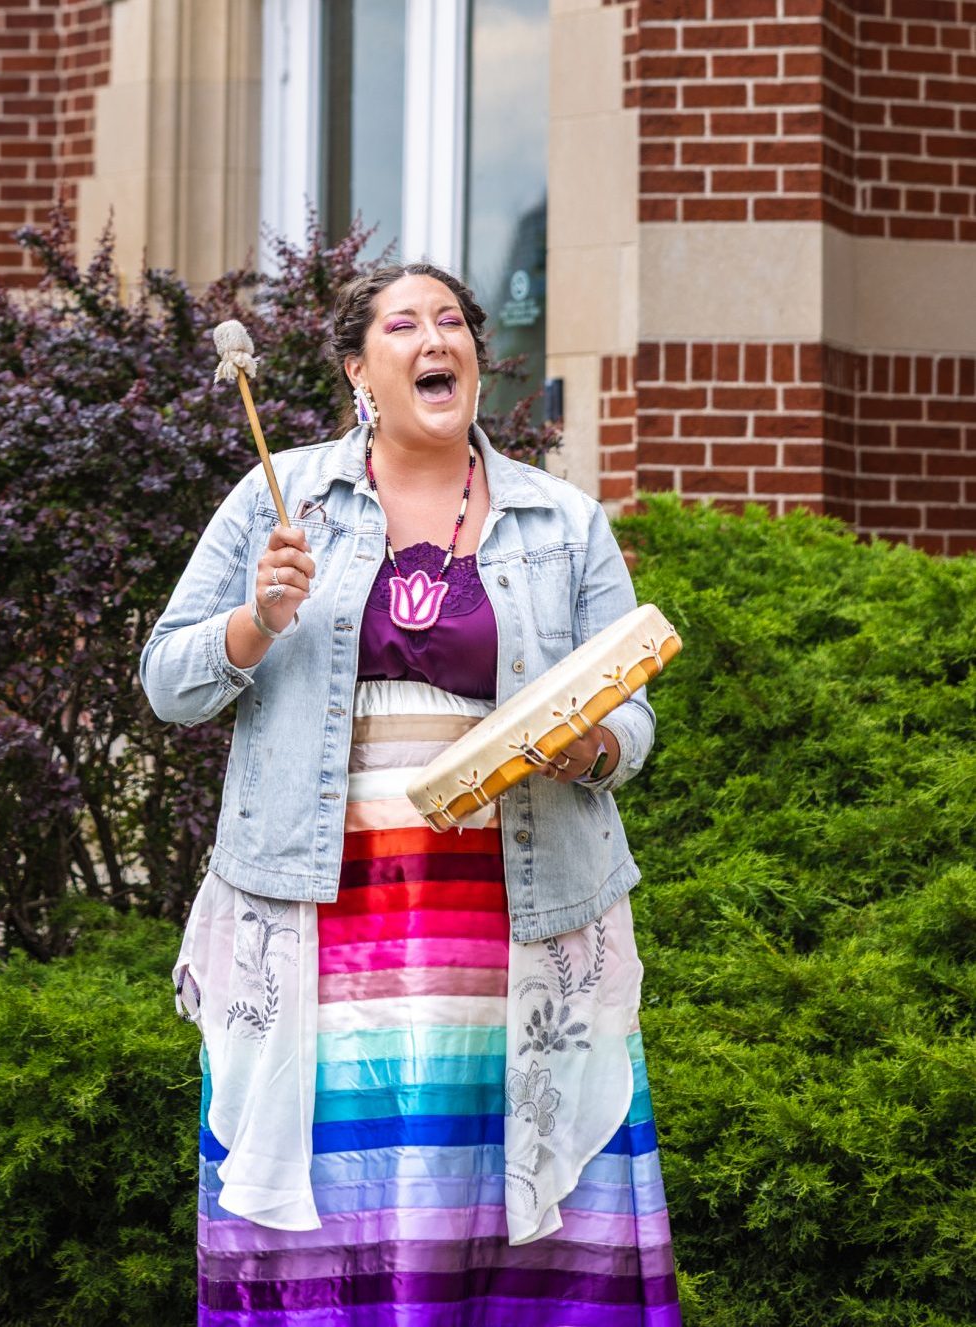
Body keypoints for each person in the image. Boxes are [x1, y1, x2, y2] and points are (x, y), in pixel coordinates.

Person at [141, 263, 681, 1324]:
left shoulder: (564, 521)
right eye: (404, 322)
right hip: (324, 911)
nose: (436, 337)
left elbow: (633, 716)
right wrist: (257, 619)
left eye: (452, 322)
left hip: (514, 912)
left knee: (498, 1180)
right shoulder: (277, 497)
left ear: (475, 357)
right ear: (359, 369)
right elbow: (169, 680)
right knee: (341, 1174)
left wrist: (584, 748)